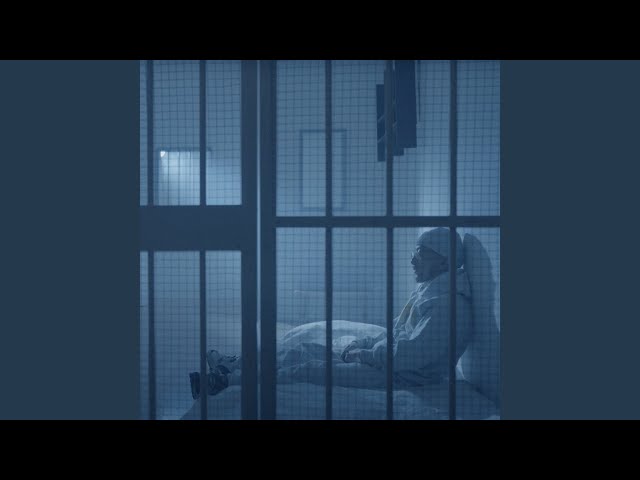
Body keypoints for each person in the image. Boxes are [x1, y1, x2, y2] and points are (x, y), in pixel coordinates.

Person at [190, 227, 473, 399]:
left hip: (402, 376)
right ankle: (234, 364)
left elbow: (408, 356)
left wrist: (362, 354)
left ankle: (225, 382)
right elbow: (398, 332)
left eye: (420, 253)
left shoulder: (448, 306)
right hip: (385, 361)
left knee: (308, 369)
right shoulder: (430, 291)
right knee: (302, 350)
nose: (412, 260)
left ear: (444, 261)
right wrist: (363, 343)